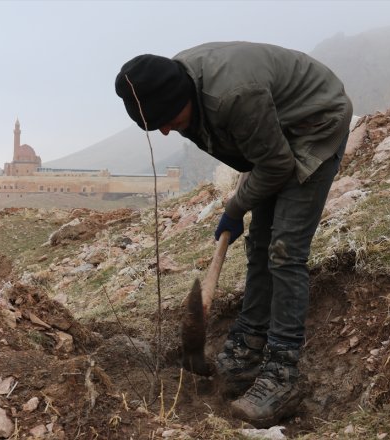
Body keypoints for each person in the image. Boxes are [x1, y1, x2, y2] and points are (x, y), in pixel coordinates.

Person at [114, 41, 352, 427]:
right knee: (260, 245)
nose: (165, 130)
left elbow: (275, 165)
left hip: (313, 123)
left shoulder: (233, 96)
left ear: (183, 96)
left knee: (285, 250)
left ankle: (282, 373)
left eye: (168, 119)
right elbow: (258, 154)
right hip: (271, 132)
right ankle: (247, 348)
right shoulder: (173, 84)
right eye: (155, 124)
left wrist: (234, 207)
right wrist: (245, 203)